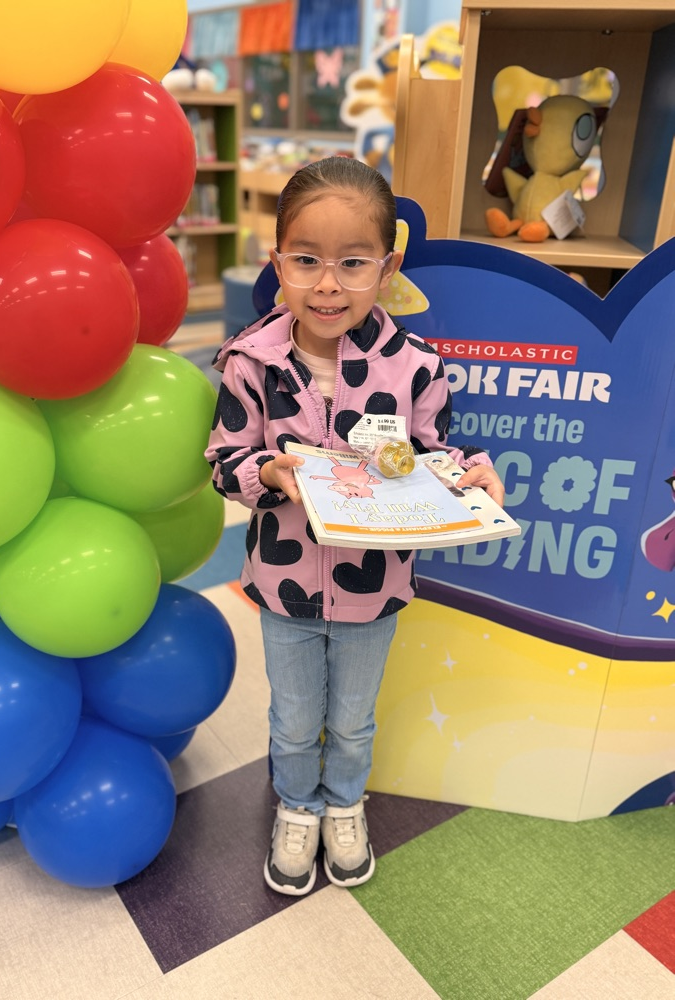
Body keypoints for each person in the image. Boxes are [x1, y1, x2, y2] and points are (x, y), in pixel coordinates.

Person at [205, 156, 504, 896]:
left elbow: (431, 455)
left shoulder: (416, 368)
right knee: (294, 716)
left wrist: (467, 473)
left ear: (387, 266)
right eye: (305, 261)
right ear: (276, 263)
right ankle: (298, 808)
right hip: (285, 584)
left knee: (354, 718)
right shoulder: (252, 361)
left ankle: (345, 805)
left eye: (352, 263)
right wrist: (272, 472)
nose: (328, 284)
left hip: (375, 588)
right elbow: (223, 460)